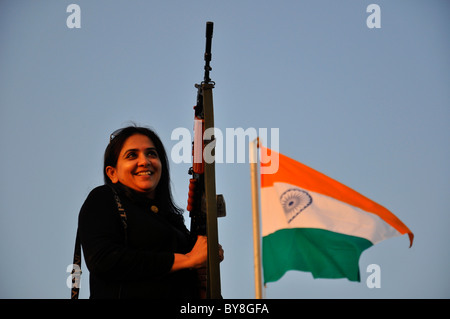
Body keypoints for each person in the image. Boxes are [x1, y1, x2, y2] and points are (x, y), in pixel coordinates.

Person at [77, 125, 223, 298]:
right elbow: (103, 260)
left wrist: (205, 269)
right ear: (112, 173)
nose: (144, 161)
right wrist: (188, 260)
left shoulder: (172, 221)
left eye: (152, 154)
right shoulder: (104, 198)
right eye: (132, 155)